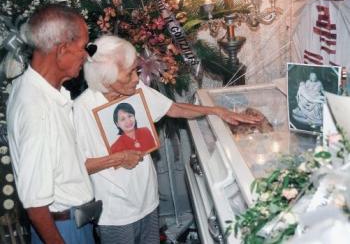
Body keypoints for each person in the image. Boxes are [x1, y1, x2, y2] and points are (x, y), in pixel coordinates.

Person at [73, 35, 261, 244]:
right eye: (129, 75)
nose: (137, 80)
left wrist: (216, 110)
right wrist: (118, 159)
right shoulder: (83, 108)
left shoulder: (134, 89)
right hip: (116, 213)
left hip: (148, 200)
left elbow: (173, 108)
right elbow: (79, 167)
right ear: (106, 78)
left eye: (136, 71)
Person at [6, 5, 133, 244]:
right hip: (61, 231)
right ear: (62, 49)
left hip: (72, 223)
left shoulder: (38, 90)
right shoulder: (38, 110)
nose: (87, 56)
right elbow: (35, 205)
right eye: (83, 48)